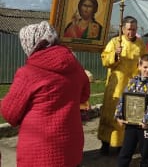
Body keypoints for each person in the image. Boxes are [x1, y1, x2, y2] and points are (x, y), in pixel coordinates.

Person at [0, 21, 90, 167]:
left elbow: (10, 114)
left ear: (31, 44)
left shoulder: (28, 73)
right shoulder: (75, 66)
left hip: (39, 150)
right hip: (70, 145)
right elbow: (84, 95)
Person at [98, 16, 148, 155]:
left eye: (133, 29)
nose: (131, 32)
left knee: (130, 115)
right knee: (111, 115)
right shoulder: (115, 42)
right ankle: (105, 143)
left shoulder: (141, 44)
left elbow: (146, 62)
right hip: (117, 85)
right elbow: (105, 61)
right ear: (123, 29)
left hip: (133, 85)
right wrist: (115, 54)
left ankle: (125, 145)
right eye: (128, 29)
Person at [115, 54, 148, 167]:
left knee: (145, 154)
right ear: (139, 66)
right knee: (125, 152)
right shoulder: (132, 81)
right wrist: (118, 115)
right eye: (145, 67)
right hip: (130, 124)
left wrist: (147, 120)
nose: (147, 70)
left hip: (146, 126)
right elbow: (123, 98)